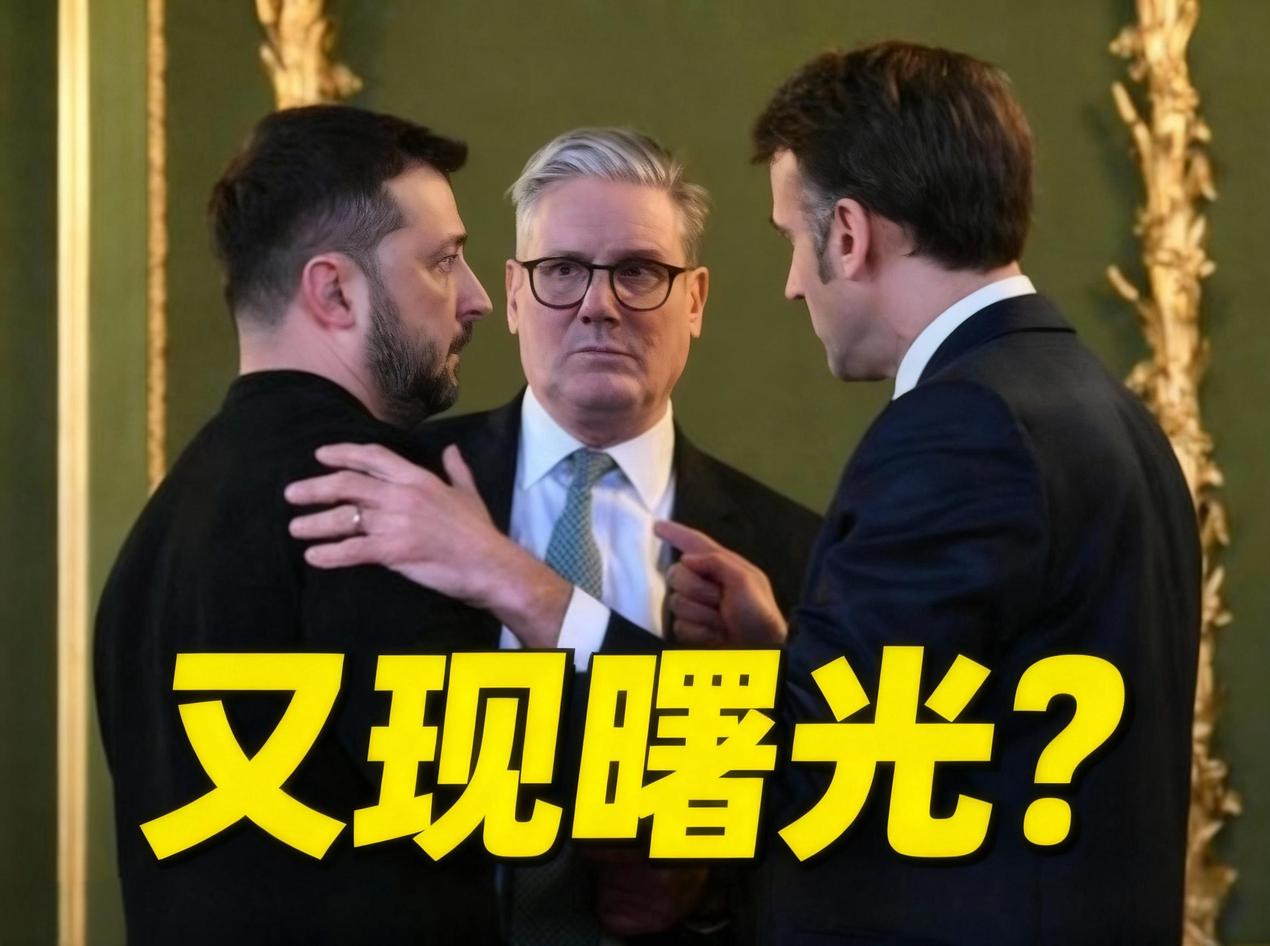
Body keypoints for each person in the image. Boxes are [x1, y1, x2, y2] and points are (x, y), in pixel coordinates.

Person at [655, 43, 1201, 944]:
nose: (791, 285)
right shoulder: (1100, 405)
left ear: (848, 234)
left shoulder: (964, 428)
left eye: (791, 238)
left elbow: (805, 762)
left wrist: (523, 590)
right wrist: (785, 654)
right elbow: (973, 723)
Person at [286, 127, 821, 944]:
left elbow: (835, 834)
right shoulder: (391, 491)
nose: (598, 304)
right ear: (512, 294)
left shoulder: (790, 556)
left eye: (639, 271)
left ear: (695, 301)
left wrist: (710, 882)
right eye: (562, 270)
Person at [94, 104, 498, 945]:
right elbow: (492, 798)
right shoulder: (377, 498)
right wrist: (516, 585)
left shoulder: (157, 533)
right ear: (334, 290)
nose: (476, 299)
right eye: (442, 261)